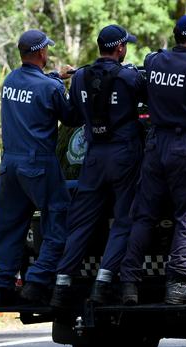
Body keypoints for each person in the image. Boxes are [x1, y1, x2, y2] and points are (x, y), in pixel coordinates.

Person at [120, 14, 186, 305]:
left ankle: (129, 282)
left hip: (155, 143)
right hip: (185, 146)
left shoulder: (154, 61)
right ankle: (178, 282)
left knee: (143, 215)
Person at [50, 25, 146, 308]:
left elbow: (71, 116)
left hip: (93, 158)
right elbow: (152, 101)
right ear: (120, 49)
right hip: (123, 156)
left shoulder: (80, 78)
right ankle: (103, 282)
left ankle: (61, 284)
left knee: (80, 223)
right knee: (124, 219)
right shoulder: (129, 76)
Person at [0, 30, 74, 306]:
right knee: (57, 217)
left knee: (7, 225)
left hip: (9, 166)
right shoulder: (50, 89)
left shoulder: (10, 80)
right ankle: (37, 282)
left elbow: (35, 86)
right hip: (38, 163)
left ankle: (2, 287)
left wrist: (56, 76)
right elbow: (71, 116)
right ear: (40, 53)